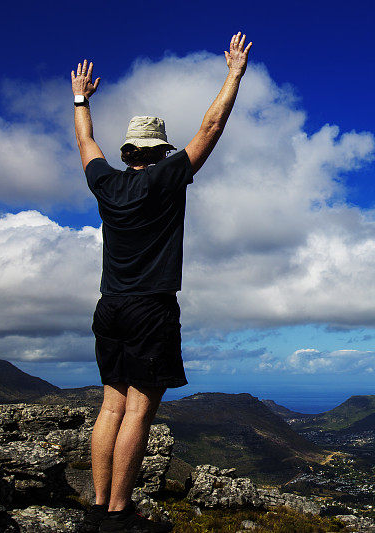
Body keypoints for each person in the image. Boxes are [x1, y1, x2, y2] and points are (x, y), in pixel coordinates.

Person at [73, 32, 253, 533]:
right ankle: (120, 514)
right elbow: (212, 125)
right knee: (140, 409)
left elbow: (86, 142)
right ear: (159, 150)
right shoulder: (168, 178)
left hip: (109, 306)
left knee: (111, 402)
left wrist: (81, 98)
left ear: (129, 150)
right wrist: (234, 73)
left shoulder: (105, 183)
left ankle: (98, 508)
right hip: (151, 308)